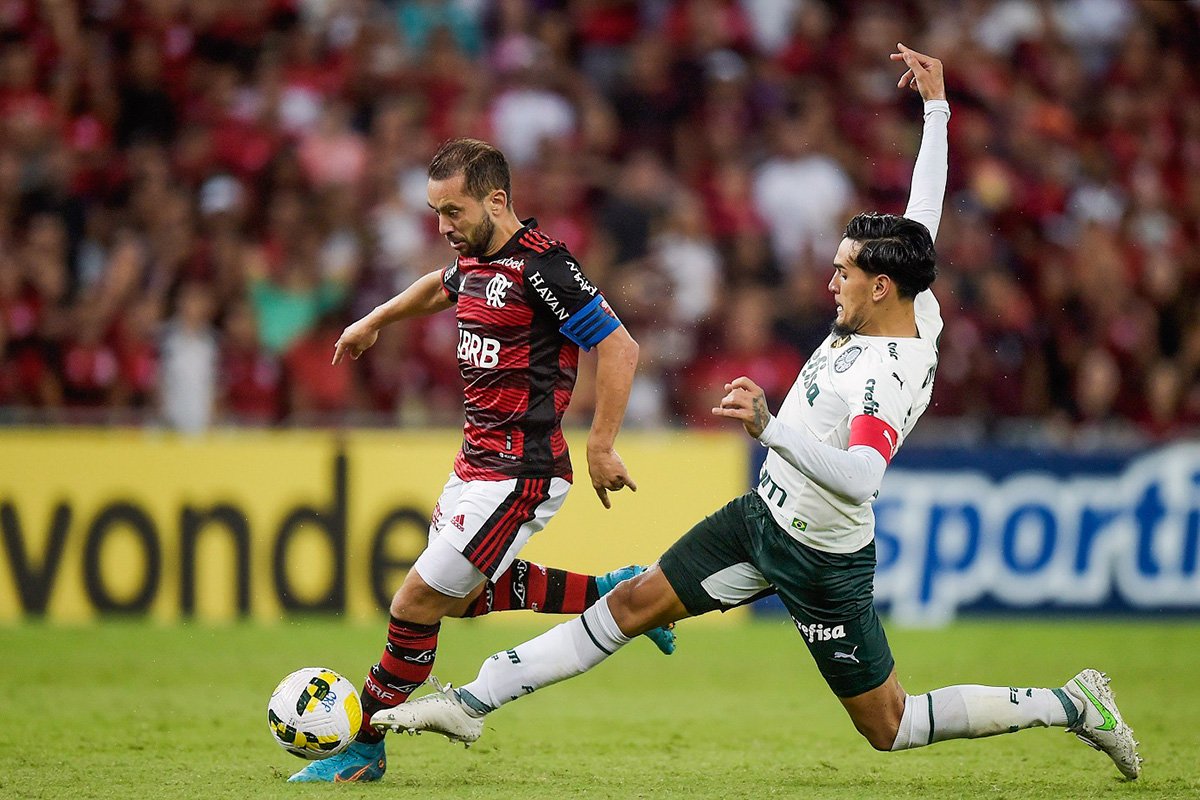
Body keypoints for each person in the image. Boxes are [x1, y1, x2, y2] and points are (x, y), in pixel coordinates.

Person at [371, 45, 1143, 782]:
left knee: (890, 727)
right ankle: (471, 702)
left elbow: (863, 476)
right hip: (761, 518)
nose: (830, 279)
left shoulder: (889, 370)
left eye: (844, 270)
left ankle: (1072, 702)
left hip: (824, 557)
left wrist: (772, 430)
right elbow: (923, 212)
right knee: (632, 604)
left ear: (880, 288)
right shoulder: (913, 296)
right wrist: (937, 110)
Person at [288, 137, 675, 783]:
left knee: (413, 605)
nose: (443, 228)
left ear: (497, 200)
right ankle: (614, 591)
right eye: (436, 213)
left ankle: (361, 748)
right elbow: (438, 289)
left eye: (453, 212)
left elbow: (621, 347)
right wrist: (373, 321)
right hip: (473, 467)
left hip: (522, 473)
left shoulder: (543, 269)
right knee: (458, 602)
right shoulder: (473, 259)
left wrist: (601, 443)